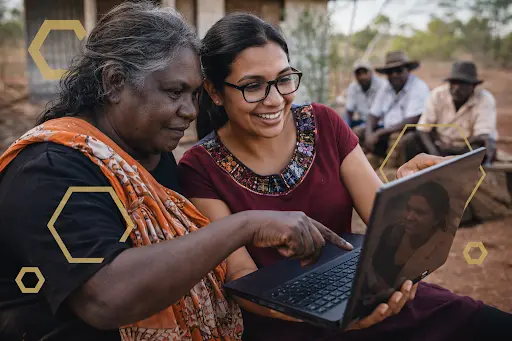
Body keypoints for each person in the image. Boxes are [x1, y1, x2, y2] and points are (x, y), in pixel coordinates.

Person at [0, 3, 445, 341]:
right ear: (115, 82)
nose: (189, 112)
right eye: (175, 92)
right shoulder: (50, 169)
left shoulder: (152, 160)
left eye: (194, 95)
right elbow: (106, 298)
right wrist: (245, 224)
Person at [178, 13, 512, 341]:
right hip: (286, 323)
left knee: (488, 324)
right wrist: (335, 319)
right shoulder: (200, 167)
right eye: (253, 86)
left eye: (283, 79)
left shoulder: (325, 123)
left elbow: (387, 229)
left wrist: (411, 190)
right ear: (216, 91)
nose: (276, 99)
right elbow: (242, 278)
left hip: (361, 294)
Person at [401, 61, 497, 165]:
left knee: (480, 149)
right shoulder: (437, 95)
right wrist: (434, 154)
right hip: (439, 146)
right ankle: (413, 175)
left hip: (466, 147)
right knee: (410, 140)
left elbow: (482, 135)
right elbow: (423, 129)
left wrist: (457, 149)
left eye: (462, 84)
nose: (456, 88)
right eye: (453, 83)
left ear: (473, 86)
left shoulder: (484, 99)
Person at [361, 51, 430, 158]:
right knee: (356, 133)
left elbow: (412, 120)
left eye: (398, 71)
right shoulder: (386, 87)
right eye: (390, 72)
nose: (394, 75)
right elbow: (373, 114)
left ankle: (391, 170)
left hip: (409, 133)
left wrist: (380, 133)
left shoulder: (418, 87)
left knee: (396, 137)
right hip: (386, 131)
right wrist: (369, 133)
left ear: (408, 70)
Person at [344, 60, 386, 132]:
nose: (362, 77)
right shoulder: (353, 87)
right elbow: (349, 111)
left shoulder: (382, 85)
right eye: (358, 74)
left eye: (365, 73)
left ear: (371, 72)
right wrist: (346, 128)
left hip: (380, 123)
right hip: (362, 121)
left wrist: (365, 127)